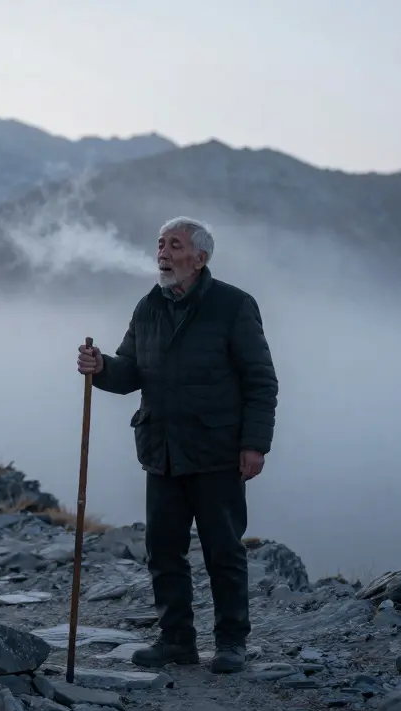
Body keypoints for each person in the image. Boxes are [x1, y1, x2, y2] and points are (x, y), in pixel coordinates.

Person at [76, 216, 278, 674]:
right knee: (164, 550)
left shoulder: (233, 305)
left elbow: (260, 380)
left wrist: (255, 445)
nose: (163, 253)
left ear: (200, 257)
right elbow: (131, 370)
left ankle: (231, 643)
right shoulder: (149, 306)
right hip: (161, 451)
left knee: (223, 551)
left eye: (175, 245)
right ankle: (176, 641)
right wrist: (101, 366)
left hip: (216, 451)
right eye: (161, 244)